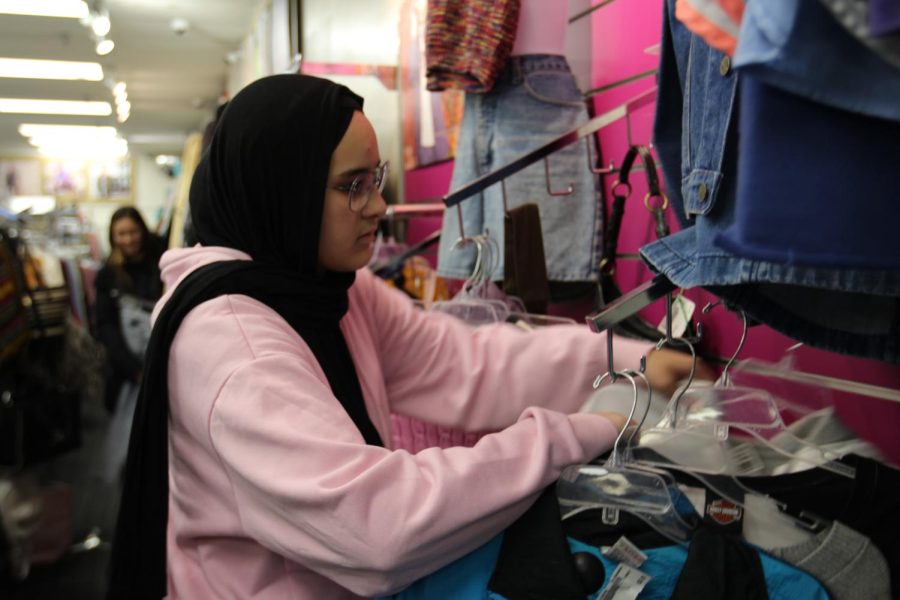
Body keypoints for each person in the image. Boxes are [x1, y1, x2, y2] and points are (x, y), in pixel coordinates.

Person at [108, 74, 706, 599]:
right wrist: (591, 427)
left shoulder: (325, 290)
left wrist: (633, 363)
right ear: (284, 193)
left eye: (377, 178)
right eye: (352, 186)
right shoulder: (234, 347)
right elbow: (376, 527)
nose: (379, 206)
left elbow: (465, 361)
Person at [94, 206, 163, 412]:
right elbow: (106, 326)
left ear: (143, 231)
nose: (128, 239)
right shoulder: (108, 275)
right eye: (121, 234)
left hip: (160, 359)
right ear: (112, 237)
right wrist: (134, 370)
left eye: (133, 232)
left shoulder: (160, 262)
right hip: (129, 370)